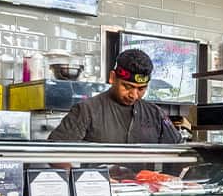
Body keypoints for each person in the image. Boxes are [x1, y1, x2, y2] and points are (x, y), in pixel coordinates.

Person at [49, 49, 180, 144]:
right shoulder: (87, 110)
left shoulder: (155, 114)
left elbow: (179, 150)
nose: (134, 95)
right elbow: (56, 152)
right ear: (112, 77)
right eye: (127, 86)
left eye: (141, 89)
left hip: (144, 176)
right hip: (100, 176)